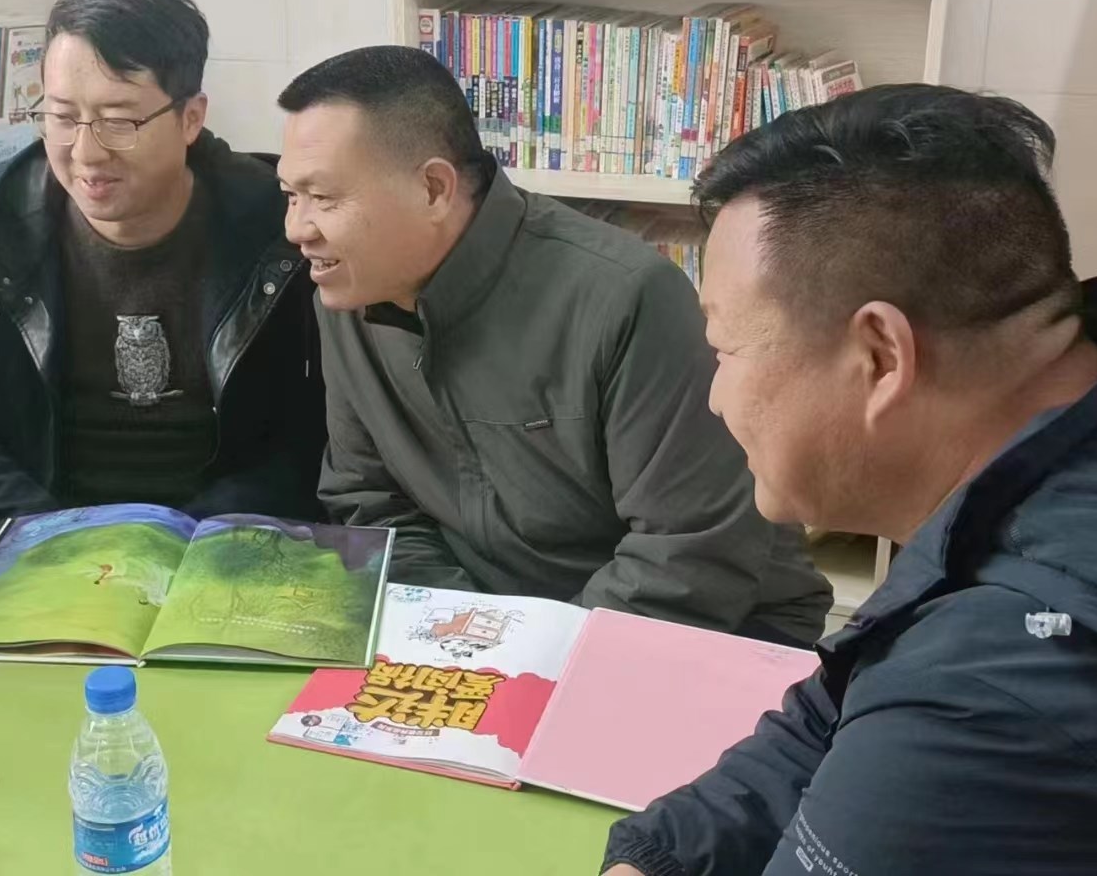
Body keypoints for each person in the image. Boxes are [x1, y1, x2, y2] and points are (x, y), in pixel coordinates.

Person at [602, 84, 1097, 876]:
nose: (714, 397)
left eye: (725, 350)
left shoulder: (986, 692)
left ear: (880, 357)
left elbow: (921, 708)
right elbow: (836, 704)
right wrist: (661, 855)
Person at [279, 45, 831, 646]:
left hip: (700, 632)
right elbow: (370, 502)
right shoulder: (350, 296)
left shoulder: (625, 296)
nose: (296, 228)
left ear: (434, 188)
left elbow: (690, 552)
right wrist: (459, 637)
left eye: (324, 198)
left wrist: (528, 656)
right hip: (486, 641)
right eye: (290, 195)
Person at [0, 0, 325, 584]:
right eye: (61, 117)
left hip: (224, 549)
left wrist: (188, 544)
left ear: (190, 118)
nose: (86, 152)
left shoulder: (276, 228)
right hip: (36, 548)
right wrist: (53, 538)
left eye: (119, 121)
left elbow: (312, 429)